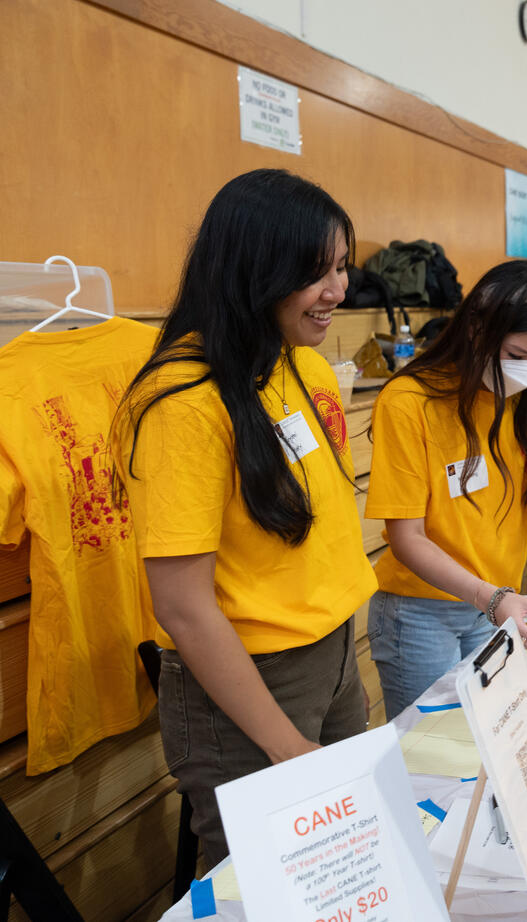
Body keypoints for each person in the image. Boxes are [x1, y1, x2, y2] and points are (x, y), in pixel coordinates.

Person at [114, 169, 377, 866]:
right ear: (255, 272)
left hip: (332, 654)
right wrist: (283, 743)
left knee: (343, 863)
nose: (338, 291)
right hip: (249, 683)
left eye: (342, 267)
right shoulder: (182, 402)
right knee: (257, 884)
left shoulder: (303, 366)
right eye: (315, 273)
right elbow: (184, 607)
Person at [365, 260, 527, 718]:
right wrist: (495, 600)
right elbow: (407, 538)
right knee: (436, 756)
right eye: (517, 355)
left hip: (496, 604)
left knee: (491, 746)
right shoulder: (410, 402)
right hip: (421, 613)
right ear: (477, 329)